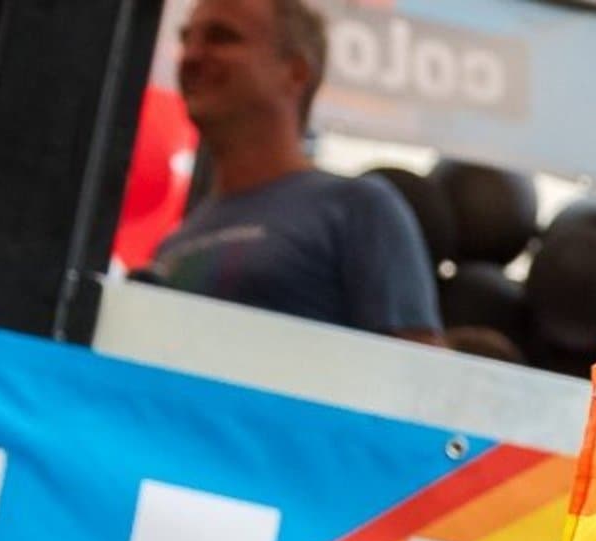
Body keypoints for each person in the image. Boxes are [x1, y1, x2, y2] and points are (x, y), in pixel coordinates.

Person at [145, 0, 441, 341]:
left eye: (222, 37)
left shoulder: (358, 207)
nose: (191, 56)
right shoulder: (174, 243)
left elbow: (414, 366)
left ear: (295, 72)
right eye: (187, 39)